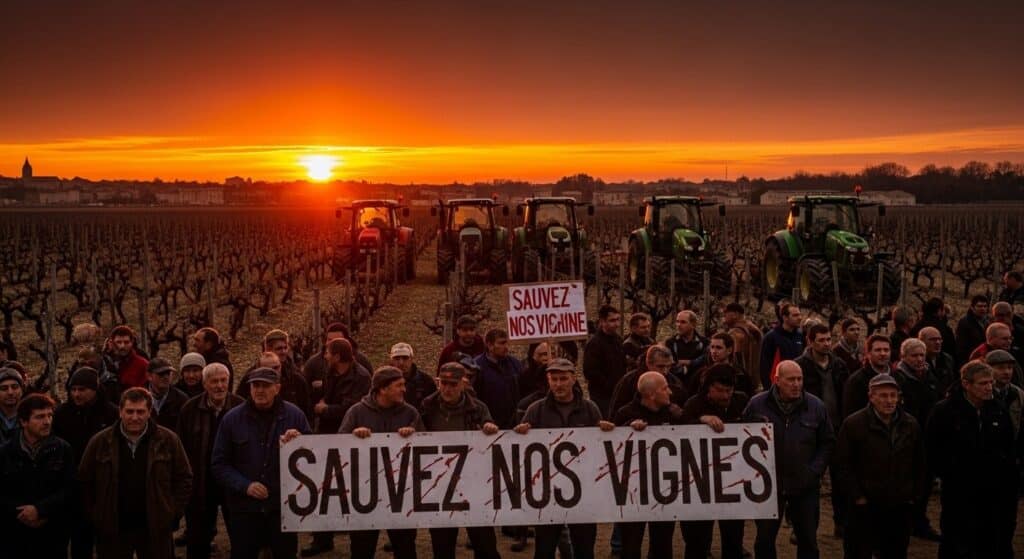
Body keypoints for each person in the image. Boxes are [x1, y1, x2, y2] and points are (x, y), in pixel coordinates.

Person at [515, 358, 615, 559]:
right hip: (548, 492)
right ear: (548, 381)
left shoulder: (589, 409)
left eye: (563, 379)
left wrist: (605, 431)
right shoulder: (536, 409)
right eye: (554, 379)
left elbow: (600, 450)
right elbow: (522, 451)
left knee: (584, 549)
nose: (558, 384)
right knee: (544, 549)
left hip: (583, 491)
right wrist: (520, 433)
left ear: (573, 379)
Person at [79, 387, 193, 559]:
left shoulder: (168, 440)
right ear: (120, 412)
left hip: (155, 526)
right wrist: (96, 515)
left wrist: (172, 512)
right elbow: (84, 480)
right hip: (114, 527)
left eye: (140, 412)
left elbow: (184, 478)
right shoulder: (100, 442)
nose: (134, 417)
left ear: (149, 412)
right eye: (129, 411)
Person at [212, 367, 311, 559]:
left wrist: (300, 442)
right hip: (244, 509)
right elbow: (219, 464)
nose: (259, 390)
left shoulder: (295, 415)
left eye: (265, 385)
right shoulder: (232, 419)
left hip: (282, 509)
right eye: (255, 385)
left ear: (277, 388)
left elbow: (313, 458)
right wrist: (245, 486)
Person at [926, 360, 1019, 559]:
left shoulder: (997, 409)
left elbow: (1008, 446)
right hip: (959, 490)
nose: (989, 387)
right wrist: (951, 473)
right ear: (966, 384)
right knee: (957, 540)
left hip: (993, 489)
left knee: (990, 539)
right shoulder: (945, 411)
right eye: (983, 383)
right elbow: (933, 449)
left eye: (990, 382)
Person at [743, 360, 835, 559]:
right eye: (791, 380)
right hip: (768, 487)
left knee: (808, 540)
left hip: (805, 485)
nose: (796, 384)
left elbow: (827, 442)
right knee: (764, 540)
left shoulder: (816, 406)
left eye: (799, 379)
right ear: (777, 380)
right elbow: (742, 437)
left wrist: (814, 471)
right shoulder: (757, 405)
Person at [835, 373, 926, 559]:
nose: (889, 401)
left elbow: (920, 462)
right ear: (871, 397)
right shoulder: (854, 424)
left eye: (893, 395)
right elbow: (842, 465)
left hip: (899, 505)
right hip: (865, 506)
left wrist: (913, 494)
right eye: (883, 396)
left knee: (895, 552)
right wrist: (857, 496)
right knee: (858, 552)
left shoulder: (910, 424)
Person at [339, 366, 424, 559]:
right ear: (383, 389)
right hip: (365, 493)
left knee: (405, 547)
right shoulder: (356, 412)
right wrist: (353, 437)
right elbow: (339, 446)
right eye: (399, 385)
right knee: (362, 548)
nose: (404, 389)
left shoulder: (410, 413)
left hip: (400, 493)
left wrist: (414, 435)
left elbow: (424, 450)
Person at [420, 362, 501, 559]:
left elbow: (490, 432)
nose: (447, 389)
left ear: (463, 384)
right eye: (444, 383)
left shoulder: (478, 408)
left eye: (453, 384)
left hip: (472, 482)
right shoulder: (427, 406)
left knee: (485, 544)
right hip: (439, 484)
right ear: (438, 382)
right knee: (442, 545)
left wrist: (489, 427)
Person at [302, 338, 371, 557]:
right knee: (324, 488)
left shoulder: (361, 377)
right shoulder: (330, 372)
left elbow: (352, 409)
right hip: (327, 436)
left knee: (352, 489)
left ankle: (357, 543)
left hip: (351, 439)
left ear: (338, 356)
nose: (324, 356)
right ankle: (322, 538)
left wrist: (325, 409)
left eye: (328, 353)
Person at [679, 366, 749, 559]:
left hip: (732, 482)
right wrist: (701, 420)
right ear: (708, 387)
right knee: (697, 541)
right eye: (720, 390)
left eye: (729, 390)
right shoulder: (693, 404)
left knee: (733, 539)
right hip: (700, 484)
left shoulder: (741, 401)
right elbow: (679, 434)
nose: (726, 395)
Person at [177, 363, 245, 559]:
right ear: (205, 383)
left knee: (241, 537)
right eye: (214, 381)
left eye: (223, 381)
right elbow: (182, 447)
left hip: (233, 481)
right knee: (198, 540)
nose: (220, 386)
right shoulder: (189, 409)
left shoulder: (241, 407)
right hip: (201, 482)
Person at [613, 371, 682, 559]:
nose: (670, 392)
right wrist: (627, 429)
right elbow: (612, 448)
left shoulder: (673, 413)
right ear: (651, 394)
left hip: (664, 490)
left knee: (663, 545)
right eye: (665, 388)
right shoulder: (625, 413)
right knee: (630, 545)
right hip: (633, 492)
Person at [52, 367, 119, 559]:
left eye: (82, 389)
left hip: (105, 486)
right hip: (74, 486)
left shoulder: (111, 413)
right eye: (73, 389)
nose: (76, 394)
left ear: (95, 389)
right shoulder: (62, 414)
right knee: (80, 540)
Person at [0, 394, 75, 559]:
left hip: (52, 533)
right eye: (39, 417)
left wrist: (40, 510)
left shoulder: (62, 450)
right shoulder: (6, 453)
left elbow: (69, 489)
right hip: (14, 535)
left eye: (49, 415)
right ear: (23, 421)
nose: (47, 421)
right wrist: (22, 513)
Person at [793, 322, 849, 536]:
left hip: (836, 428)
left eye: (828, 339)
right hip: (810, 429)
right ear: (810, 341)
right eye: (821, 340)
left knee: (840, 479)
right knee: (808, 480)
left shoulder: (839, 365)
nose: (826, 344)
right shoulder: (800, 367)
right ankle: (802, 526)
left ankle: (841, 523)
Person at [890, 338, 942, 541]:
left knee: (924, 482)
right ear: (904, 356)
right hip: (906, 437)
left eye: (922, 355)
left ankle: (919, 521)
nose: (920, 359)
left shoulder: (930, 375)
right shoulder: (898, 378)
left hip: (928, 437)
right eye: (914, 355)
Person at [238, 330, 313, 421]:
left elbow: (307, 411)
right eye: (279, 348)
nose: (283, 352)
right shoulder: (250, 378)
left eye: (285, 348)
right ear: (267, 350)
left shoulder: (296, 378)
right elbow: (240, 407)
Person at [608, 344, 688, 418]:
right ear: (648, 363)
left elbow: (685, 413)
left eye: (669, 366)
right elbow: (616, 413)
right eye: (660, 366)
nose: (665, 371)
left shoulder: (675, 383)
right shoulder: (629, 381)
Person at [302, 322, 373, 403]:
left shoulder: (362, 362)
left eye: (337, 340)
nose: (331, 343)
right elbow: (304, 393)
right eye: (329, 339)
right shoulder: (313, 364)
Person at [583, 305, 627, 418]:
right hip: (602, 396)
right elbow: (590, 371)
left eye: (618, 320)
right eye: (612, 320)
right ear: (602, 321)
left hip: (618, 394)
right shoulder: (594, 344)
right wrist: (609, 385)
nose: (616, 324)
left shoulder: (618, 340)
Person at [474, 329, 523, 429]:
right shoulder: (477, 366)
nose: (506, 347)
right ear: (489, 345)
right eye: (501, 343)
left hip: (513, 424)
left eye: (507, 343)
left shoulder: (515, 364)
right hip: (487, 425)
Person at [842, 334, 892, 421]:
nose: (883, 353)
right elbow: (850, 415)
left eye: (886, 350)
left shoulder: (899, 378)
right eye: (878, 350)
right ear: (868, 353)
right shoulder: (856, 381)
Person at [759, 303, 805, 389]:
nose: (800, 318)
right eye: (795, 315)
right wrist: (769, 389)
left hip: (797, 385)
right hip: (778, 386)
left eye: (800, 314)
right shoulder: (771, 337)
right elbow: (764, 366)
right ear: (785, 317)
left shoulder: (800, 336)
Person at [664, 309, 708, 384]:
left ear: (693, 325)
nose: (678, 325)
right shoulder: (670, 342)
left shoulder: (704, 342)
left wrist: (690, 363)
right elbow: (670, 364)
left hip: (697, 383)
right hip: (676, 383)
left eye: (683, 322)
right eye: (677, 321)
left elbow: (705, 361)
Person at [987, 350, 1023, 439]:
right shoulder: (983, 392)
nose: (1007, 372)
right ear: (988, 369)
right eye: (1000, 368)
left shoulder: (1018, 394)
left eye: (1010, 368)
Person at [146, 357, 190, 430]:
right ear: (149, 376)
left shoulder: (181, 399)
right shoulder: (139, 397)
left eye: (168, 373)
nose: (166, 377)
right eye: (161, 374)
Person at [103, 325, 150, 393]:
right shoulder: (103, 363)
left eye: (126, 342)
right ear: (112, 343)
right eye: (119, 342)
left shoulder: (143, 365)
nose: (122, 346)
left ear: (132, 342)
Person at [389, 342, 434, 411]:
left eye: (405, 358)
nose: (401, 362)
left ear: (412, 359)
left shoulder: (426, 381)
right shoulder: (384, 381)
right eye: (397, 358)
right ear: (392, 360)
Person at [918, 326, 957, 397]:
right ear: (921, 341)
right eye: (932, 339)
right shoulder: (918, 361)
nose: (937, 342)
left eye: (939, 339)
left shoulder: (947, 359)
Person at [955, 295, 990, 364]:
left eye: (985, 306)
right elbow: (960, 346)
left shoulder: (988, 322)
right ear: (972, 307)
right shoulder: (965, 323)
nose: (982, 309)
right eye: (979, 306)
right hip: (969, 360)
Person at [0, 366, 25, 445]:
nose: (10, 392)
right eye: (4, 388)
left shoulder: (31, 416)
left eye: (15, 387)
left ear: (22, 389)